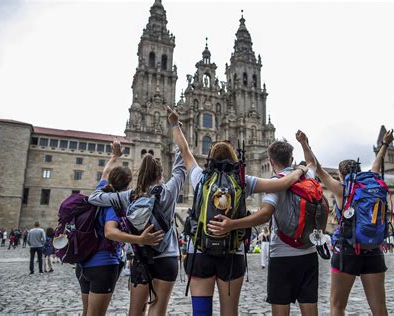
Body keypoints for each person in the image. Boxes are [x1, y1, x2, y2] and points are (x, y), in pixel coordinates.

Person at [168, 107, 308, 316]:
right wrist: (299, 169)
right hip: (232, 253)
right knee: (230, 311)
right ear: (234, 159)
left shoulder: (200, 177)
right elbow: (281, 184)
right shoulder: (243, 181)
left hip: (200, 251)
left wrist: (174, 124)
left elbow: (186, 151)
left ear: (210, 158)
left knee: (201, 312)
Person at [207, 130, 319, 316]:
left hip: (282, 255)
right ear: (292, 159)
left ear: (271, 161)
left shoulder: (275, 182)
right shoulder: (308, 177)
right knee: (309, 308)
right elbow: (312, 163)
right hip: (309, 253)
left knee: (281, 309)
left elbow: (265, 215)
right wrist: (304, 144)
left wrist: (232, 224)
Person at [88, 140, 185, 316]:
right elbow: (181, 167)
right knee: (158, 309)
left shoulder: (128, 196)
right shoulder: (168, 192)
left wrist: (108, 175)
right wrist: (177, 134)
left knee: (135, 312)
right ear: (161, 175)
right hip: (167, 258)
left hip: (141, 258)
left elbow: (94, 197)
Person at [305, 129, 394, 316]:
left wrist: (305, 144)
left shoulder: (341, 189)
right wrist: (384, 144)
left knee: (337, 305)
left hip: (347, 250)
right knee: (379, 308)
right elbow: (377, 163)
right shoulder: (373, 181)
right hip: (373, 250)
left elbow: (317, 168)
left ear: (340, 174)